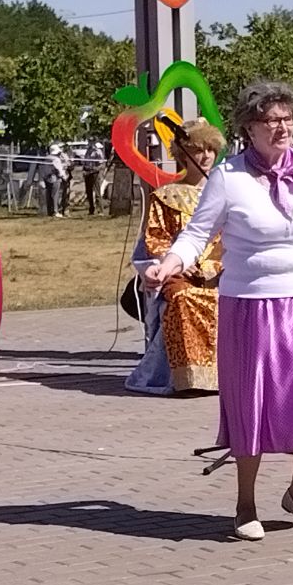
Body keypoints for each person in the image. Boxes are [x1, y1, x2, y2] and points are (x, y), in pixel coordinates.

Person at [146, 80, 293, 540]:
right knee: (252, 407)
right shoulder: (229, 177)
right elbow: (196, 233)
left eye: (288, 119)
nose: (282, 128)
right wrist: (169, 264)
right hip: (249, 308)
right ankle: (246, 503)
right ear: (250, 128)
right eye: (272, 120)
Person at [124, 118, 224, 396]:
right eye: (198, 150)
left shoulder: (228, 191)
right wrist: (177, 265)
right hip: (181, 275)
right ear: (183, 155)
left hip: (226, 275)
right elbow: (155, 240)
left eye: (210, 149)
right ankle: (190, 378)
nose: (205, 156)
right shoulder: (166, 196)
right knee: (183, 299)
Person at [43, 142, 70, 218]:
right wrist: (64, 177)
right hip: (55, 178)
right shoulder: (56, 159)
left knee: (49, 195)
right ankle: (55, 211)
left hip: (47, 178)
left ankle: (50, 211)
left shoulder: (47, 158)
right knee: (55, 195)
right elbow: (59, 170)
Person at [82, 145, 104, 217]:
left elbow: (101, 164)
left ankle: (100, 210)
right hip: (87, 173)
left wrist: (94, 170)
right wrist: (84, 170)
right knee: (89, 192)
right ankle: (91, 209)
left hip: (94, 173)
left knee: (97, 192)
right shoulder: (87, 151)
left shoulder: (98, 152)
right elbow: (85, 162)